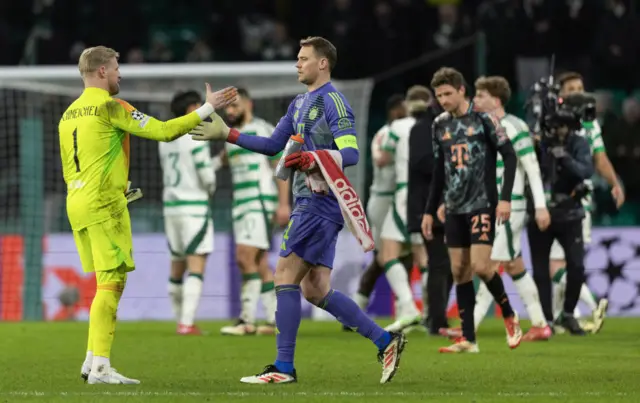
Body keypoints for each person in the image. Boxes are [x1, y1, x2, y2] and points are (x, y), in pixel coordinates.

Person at [190, 36, 407, 384]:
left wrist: (313, 158)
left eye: (304, 58)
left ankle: (283, 367)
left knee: (283, 277)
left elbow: (351, 153)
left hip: (319, 202)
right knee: (315, 289)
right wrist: (227, 133)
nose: (297, 64)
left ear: (323, 63)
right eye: (297, 58)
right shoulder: (299, 103)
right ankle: (385, 340)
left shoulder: (333, 102)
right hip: (311, 202)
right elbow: (273, 145)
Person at [59, 45, 236, 384]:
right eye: (115, 67)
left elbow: (77, 162)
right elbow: (163, 131)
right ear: (101, 72)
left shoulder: (68, 114)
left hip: (78, 201)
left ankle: (91, 360)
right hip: (103, 205)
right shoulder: (111, 105)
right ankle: (100, 368)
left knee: (104, 283)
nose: (119, 74)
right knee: (111, 283)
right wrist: (207, 109)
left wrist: (115, 182)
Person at [422, 67, 522, 353]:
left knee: (480, 266)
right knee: (459, 270)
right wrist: (431, 209)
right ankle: (469, 339)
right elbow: (440, 173)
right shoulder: (439, 124)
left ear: (461, 90)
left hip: (482, 204)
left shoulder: (484, 119)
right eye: (439, 95)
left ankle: (509, 315)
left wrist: (505, 199)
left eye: (447, 94)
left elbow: (510, 157)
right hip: (453, 207)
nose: (443, 100)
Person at [470, 76, 552, 341]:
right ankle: (540, 323)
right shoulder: (482, 126)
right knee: (514, 266)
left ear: (494, 99)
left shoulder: (515, 127)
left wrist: (540, 206)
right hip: (493, 205)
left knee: (489, 264)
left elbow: (532, 168)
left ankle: (468, 327)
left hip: (511, 206)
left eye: (480, 95)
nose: (475, 99)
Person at [548, 72, 617, 333]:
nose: (578, 92)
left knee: (557, 266)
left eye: (580, 87)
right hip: (571, 201)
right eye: (572, 88)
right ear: (562, 94)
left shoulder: (586, 125)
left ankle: (592, 304)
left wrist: (614, 183)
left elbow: (600, 158)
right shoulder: (560, 122)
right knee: (565, 264)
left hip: (572, 201)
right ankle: (560, 317)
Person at [219, 88, 290, 336]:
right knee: (258, 262)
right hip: (241, 203)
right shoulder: (232, 137)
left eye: (234, 105)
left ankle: (246, 320)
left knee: (244, 256)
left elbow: (280, 168)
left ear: (249, 104)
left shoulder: (262, 129)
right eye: (227, 107)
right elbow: (226, 159)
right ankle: (272, 320)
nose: (230, 111)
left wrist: (284, 204)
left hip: (259, 202)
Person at [526, 93, 595, 335]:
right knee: (540, 269)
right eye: (555, 126)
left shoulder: (579, 144)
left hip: (570, 213)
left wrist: (564, 157)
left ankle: (567, 313)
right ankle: (546, 319)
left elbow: (585, 171)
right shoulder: (538, 144)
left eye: (563, 126)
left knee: (577, 267)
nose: (559, 131)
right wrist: (539, 148)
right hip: (541, 212)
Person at [160, 90, 222, 335]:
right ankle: (186, 324)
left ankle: (180, 320)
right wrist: (211, 186)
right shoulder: (195, 135)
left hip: (171, 208)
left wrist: (217, 162)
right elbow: (204, 176)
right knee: (196, 264)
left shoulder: (165, 137)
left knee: (176, 266)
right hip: (194, 208)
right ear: (191, 109)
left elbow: (185, 170)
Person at [349, 94, 414, 326]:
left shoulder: (404, 131)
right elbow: (380, 159)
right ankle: (358, 306)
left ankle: (366, 305)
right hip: (383, 200)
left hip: (397, 199)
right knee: (386, 255)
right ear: (396, 110)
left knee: (395, 254)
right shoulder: (386, 134)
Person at [378, 86, 432, 333]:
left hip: (404, 194)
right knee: (423, 257)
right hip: (428, 195)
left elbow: (383, 158)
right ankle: (432, 313)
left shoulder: (397, 128)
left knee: (388, 254)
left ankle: (409, 307)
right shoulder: (435, 126)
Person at [406, 89, 453, 335]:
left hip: (446, 205)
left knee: (447, 264)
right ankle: (436, 321)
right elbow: (421, 162)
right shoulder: (423, 128)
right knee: (438, 263)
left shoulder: (441, 125)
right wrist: (453, 163)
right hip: (428, 207)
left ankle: (437, 317)